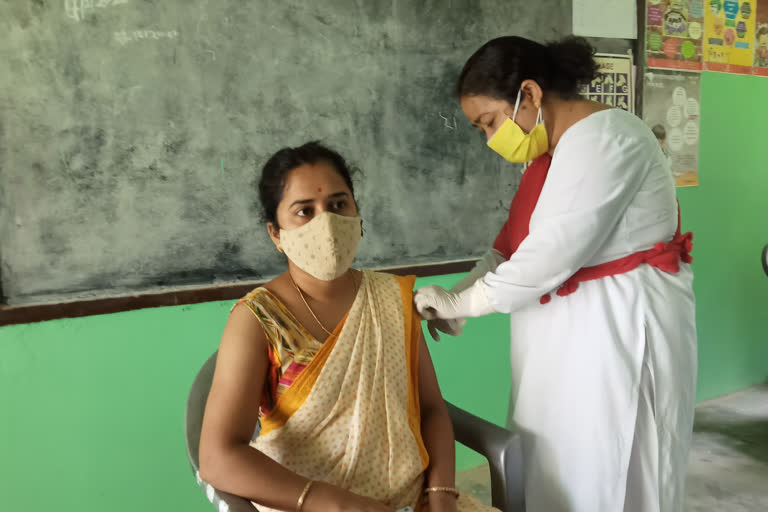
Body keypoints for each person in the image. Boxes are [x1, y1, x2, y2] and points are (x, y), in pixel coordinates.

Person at [414, 36, 697, 512]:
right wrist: (459, 297)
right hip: (568, 344)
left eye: (489, 122)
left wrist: (463, 303)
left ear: (529, 94)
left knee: (613, 465)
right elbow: (511, 247)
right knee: (558, 463)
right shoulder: (550, 157)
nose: (489, 138)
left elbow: (549, 255)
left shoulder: (609, 140)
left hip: (619, 333)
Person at [198, 142, 497, 512]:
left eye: (338, 205)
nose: (326, 222)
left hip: (411, 502)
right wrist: (329, 501)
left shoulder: (390, 297)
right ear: (276, 233)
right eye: (304, 211)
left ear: (357, 215)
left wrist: (441, 496)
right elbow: (218, 456)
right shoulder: (259, 319)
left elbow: (432, 409)